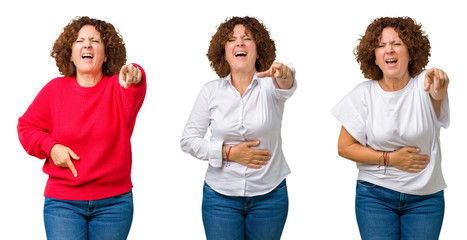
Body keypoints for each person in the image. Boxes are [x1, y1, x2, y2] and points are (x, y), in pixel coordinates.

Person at [17, 16, 146, 240]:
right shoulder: (54, 90)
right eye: (80, 41)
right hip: (62, 204)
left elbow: (134, 82)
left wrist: (135, 72)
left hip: (114, 205)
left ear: (106, 54)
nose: (87, 44)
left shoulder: (119, 87)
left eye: (95, 41)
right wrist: (51, 147)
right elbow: (26, 127)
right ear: (71, 53)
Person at [332, 17, 449, 240]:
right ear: (373, 56)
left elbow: (437, 89)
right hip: (375, 196)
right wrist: (390, 158)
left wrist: (440, 83)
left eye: (397, 43)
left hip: (425, 198)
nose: (389, 50)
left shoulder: (425, 84)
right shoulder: (363, 94)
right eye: (381, 45)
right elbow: (345, 148)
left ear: (411, 51)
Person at [180, 16, 296, 240]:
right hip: (220, 199)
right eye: (232, 40)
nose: (240, 43)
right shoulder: (210, 91)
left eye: (247, 38)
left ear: (259, 49)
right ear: (223, 51)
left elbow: (287, 82)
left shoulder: (271, 87)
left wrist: (285, 73)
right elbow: (188, 140)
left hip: (270, 197)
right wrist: (228, 153)